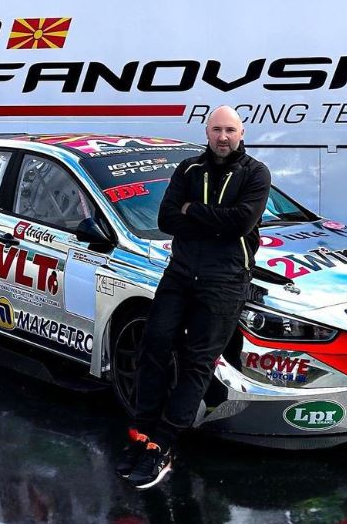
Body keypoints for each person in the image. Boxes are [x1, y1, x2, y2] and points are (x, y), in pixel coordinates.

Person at [116, 105, 271, 489]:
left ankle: (163, 444)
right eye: (217, 130)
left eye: (230, 130)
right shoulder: (188, 169)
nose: (223, 137)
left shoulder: (256, 173)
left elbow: (241, 222)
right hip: (181, 271)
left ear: (242, 133)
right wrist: (214, 218)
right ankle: (141, 431)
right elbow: (166, 218)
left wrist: (193, 211)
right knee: (154, 343)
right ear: (207, 132)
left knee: (197, 361)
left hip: (225, 278)